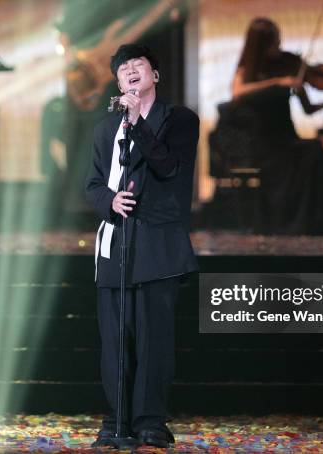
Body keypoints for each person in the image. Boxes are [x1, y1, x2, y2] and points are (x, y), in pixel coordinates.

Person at [84, 43, 198, 448]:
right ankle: (116, 420)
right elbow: (93, 185)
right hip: (117, 244)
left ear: (155, 75)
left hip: (160, 246)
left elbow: (168, 166)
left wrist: (137, 123)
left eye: (139, 65)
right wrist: (109, 202)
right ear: (118, 82)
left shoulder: (179, 120)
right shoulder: (104, 130)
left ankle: (150, 421)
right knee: (116, 340)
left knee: (153, 340)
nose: (131, 71)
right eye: (123, 69)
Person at [229, 17, 323, 235]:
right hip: (266, 144)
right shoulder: (247, 71)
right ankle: (309, 221)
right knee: (317, 152)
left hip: (289, 138)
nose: (279, 47)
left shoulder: (289, 66)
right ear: (260, 45)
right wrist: (277, 82)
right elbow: (237, 93)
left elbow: (309, 109)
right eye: (274, 43)